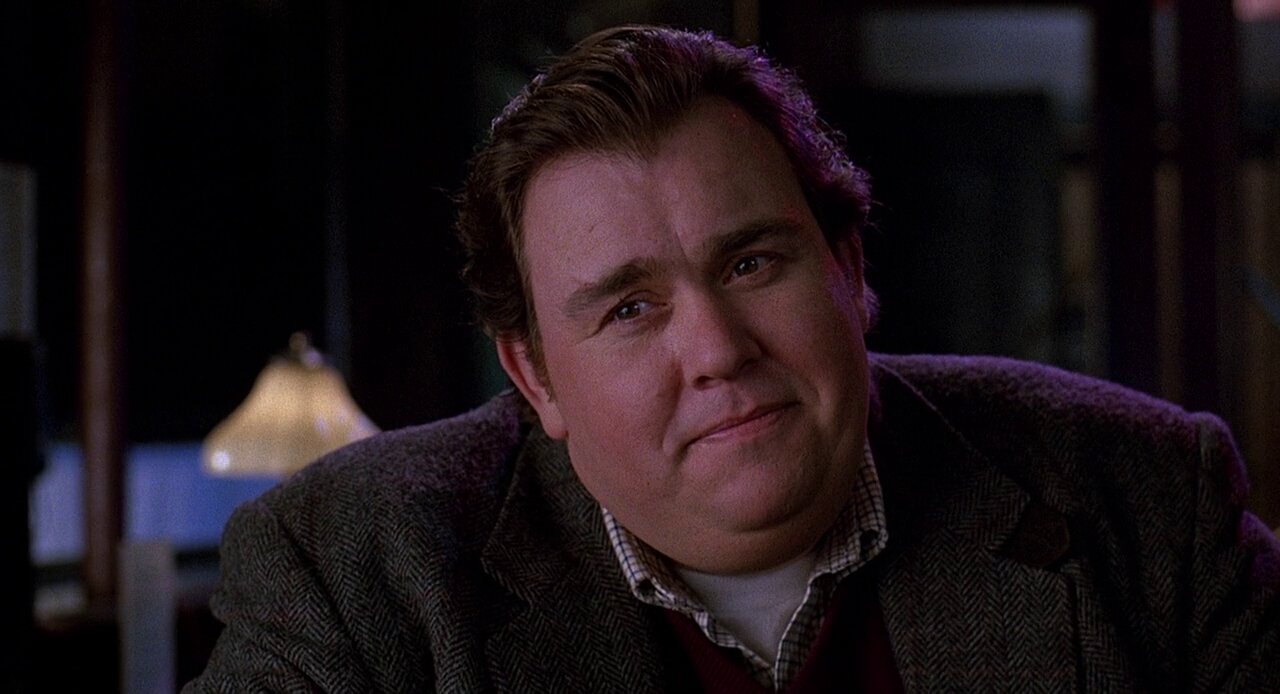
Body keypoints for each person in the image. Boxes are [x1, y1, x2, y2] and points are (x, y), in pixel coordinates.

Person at [185, 25, 1279, 692]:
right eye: (628, 309)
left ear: (848, 268)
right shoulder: (356, 572)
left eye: (752, 262)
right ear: (535, 379)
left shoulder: (1143, 498)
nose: (715, 350)